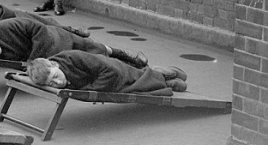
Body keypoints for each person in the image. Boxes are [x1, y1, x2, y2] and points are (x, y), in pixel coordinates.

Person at [0, 17, 147, 68]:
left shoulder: (6, 27)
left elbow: (38, 29)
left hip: (55, 38)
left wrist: (33, 60)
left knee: (93, 48)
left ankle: (123, 54)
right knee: (92, 60)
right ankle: (126, 67)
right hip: (51, 55)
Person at [26, 50, 188, 94]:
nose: (58, 82)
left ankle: (163, 75)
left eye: (55, 76)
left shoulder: (73, 58)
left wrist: (89, 90)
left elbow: (110, 72)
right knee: (135, 86)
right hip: (100, 80)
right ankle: (163, 79)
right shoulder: (53, 71)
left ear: (55, 64)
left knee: (137, 82)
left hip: (112, 70)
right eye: (51, 83)